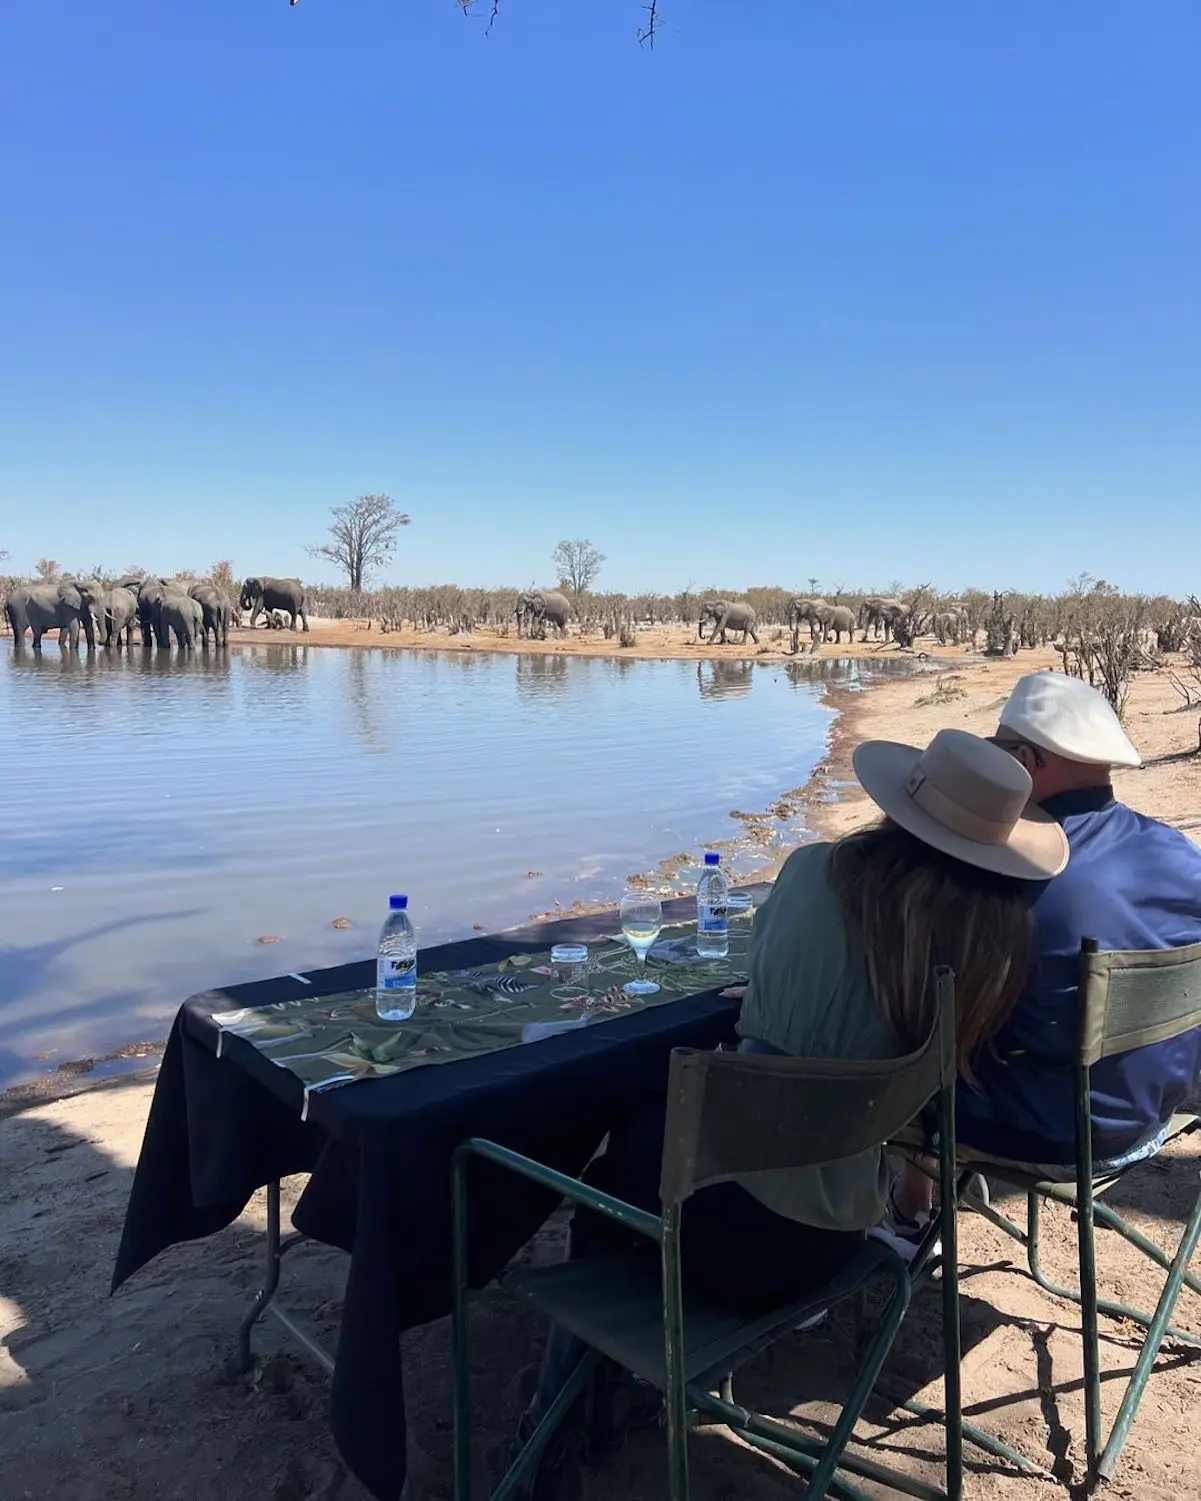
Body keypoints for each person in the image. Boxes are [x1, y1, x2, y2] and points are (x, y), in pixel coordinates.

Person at [514, 727, 1067, 1475]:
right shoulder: (992, 946)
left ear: (901, 806)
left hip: (725, 1244)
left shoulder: (814, 872)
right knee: (657, 1139)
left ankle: (555, 1426)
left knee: (621, 1157)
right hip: (832, 1244)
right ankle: (607, 1397)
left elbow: (762, 997)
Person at [889, 672, 1201, 1240]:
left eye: (1001, 752)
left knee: (893, 1060)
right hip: (1153, 1114)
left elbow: (940, 1001)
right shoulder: (1179, 850)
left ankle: (909, 1210)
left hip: (1057, 1135)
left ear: (1026, 762)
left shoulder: (1025, 875)